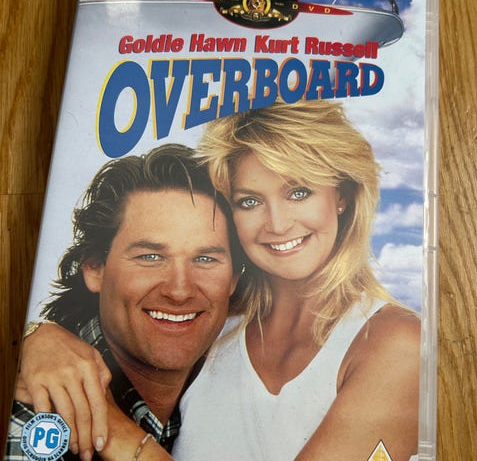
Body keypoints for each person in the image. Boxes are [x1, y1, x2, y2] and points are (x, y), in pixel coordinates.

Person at [17, 100, 420, 461]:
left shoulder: (395, 341)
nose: (278, 224)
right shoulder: (215, 318)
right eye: (250, 201)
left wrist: (110, 426)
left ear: (343, 194)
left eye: (298, 192)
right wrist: (38, 336)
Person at [6, 144, 242, 461]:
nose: (179, 290)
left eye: (205, 259)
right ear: (94, 267)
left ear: (234, 279)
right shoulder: (36, 416)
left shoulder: (234, 383)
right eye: (150, 257)